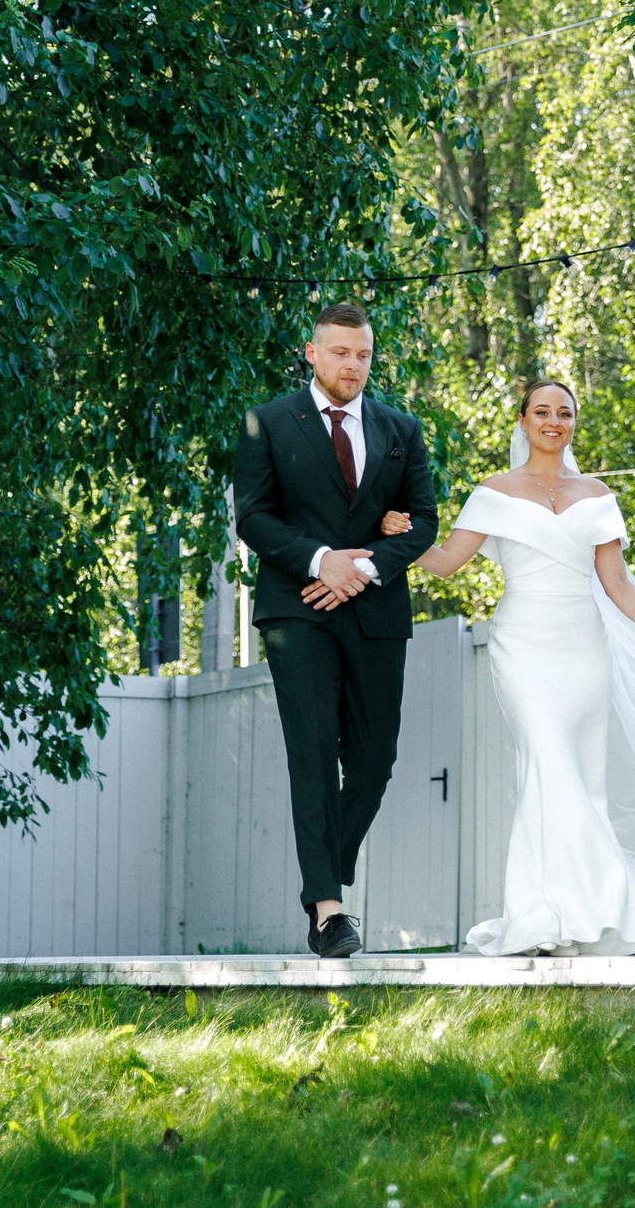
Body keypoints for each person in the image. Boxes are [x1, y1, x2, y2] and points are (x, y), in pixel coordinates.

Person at [392, 380, 635, 955]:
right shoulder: (494, 491)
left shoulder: (597, 494)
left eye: (564, 412)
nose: (553, 421)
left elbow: (617, 582)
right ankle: (554, 917)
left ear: (573, 423)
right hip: (523, 645)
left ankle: (571, 919)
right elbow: (447, 564)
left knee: (582, 779)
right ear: (522, 420)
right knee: (548, 765)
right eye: (542, 412)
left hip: (585, 645)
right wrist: (403, 535)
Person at [231, 302, 439, 958]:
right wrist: (324, 561)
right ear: (312, 352)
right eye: (341, 352)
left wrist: (368, 564)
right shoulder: (265, 423)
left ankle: (326, 865)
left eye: (363, 354)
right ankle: (328, 910)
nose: (353, 364)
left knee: (375, 760)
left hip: (376, 611)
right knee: (314, 751)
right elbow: (254, 520)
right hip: (299, 610)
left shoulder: (401, 429)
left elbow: (426, 522)